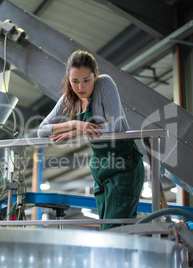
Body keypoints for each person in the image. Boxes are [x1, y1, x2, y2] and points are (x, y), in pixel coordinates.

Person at [37, 50, 144, 230]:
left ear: (95, 75)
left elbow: (113, 128)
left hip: (123, 166)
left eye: (86, 80)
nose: (80, 87)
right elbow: (41, 130)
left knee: (116, 231)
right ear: (68, 80)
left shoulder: (105, 83)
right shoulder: (69, 98)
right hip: (101, 171)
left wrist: (76, 131)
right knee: (106, 230)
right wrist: (75, 124)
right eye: (75, 81)